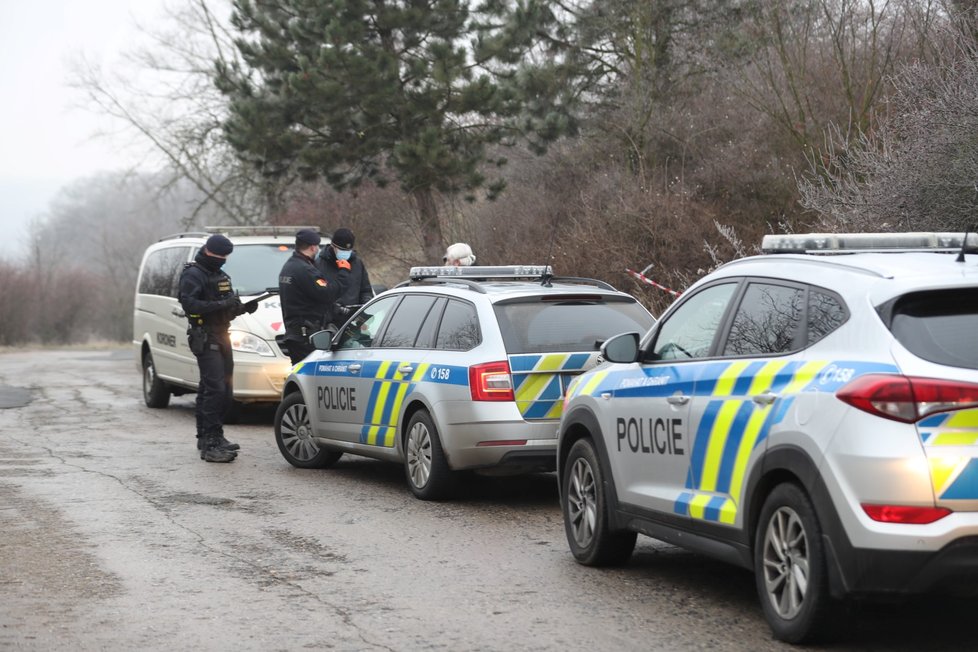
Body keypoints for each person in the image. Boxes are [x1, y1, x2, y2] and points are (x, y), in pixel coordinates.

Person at [178, 234, 258, 463]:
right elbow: (190, 304)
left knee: (219, 387)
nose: (223, 259)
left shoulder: (221, 276)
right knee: (215, 388)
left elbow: (226, 308)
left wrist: (242, 308)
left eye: (226, 256)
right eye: (220, 255)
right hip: (205, 335)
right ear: (208, 251)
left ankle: (210, 435)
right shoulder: (193, 274)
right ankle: (210, 444)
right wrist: (222, 304)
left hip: (223, 333)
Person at [278, 228, 351, 365]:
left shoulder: (289, 266)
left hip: (296, 334)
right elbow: (328, 294)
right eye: (317, 246)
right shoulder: (305, 270)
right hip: (306, 338)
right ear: (312, 247)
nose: (318, 250)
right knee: (310, 380)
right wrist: (344, 272)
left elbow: (310, 298)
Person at [317, 227, 374, 329]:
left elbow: (365, 290)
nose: (345, 253)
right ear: (332, 246)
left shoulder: (357, 263)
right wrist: (333, 309)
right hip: (328, 324)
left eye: (348, 250)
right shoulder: (320, 264)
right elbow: (317, 295)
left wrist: (364, 306)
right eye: (342, 250)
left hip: (353, 322)